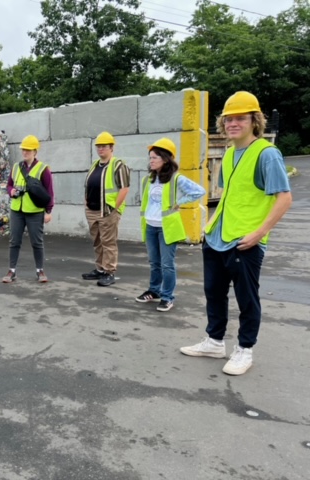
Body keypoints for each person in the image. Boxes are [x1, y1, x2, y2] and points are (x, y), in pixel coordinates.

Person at [180, 92, 292, 375]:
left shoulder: (266, 154)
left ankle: (244, 350)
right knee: (213, 293)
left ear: (255, 120)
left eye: (240, 118)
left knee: (246, 298)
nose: (233, 123)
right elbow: (227, 196)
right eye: (228, 119)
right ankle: (215, 342)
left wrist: (259, 233)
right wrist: (209, 228)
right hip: (217, 237)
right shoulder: (229, 154)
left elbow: (284, 198)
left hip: (245, 241)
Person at [137, 138, 206, 312]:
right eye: (150, 157)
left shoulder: (176, 179)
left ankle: (167, 297)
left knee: (167, 264)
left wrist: (180, 202)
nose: (151, 161)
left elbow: (199, 191)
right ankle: (154, 291)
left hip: (167, 227)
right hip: (151, 226)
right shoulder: (148, 179)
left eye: (154, 157)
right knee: (154, 262)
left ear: (166, 159)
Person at [2, 135, 54, 283]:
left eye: (28, 150)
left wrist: (48, 211)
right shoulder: (16, 167)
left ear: (35, 151)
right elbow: (9, 185)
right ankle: (11, 271)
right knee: (14, 241)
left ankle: (40, 271)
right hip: (17, 209)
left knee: (37, 242)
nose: (25, 152)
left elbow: (49, 192)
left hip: (35, 211)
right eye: (23, 150)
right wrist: (11, 191)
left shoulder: (43, 169)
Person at [81, 132, 130, 286]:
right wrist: (86, 203)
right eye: (98, 146)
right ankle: (100, 269)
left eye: (104, 146)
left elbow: (124, 188)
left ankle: (109, 272)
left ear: (111, 147)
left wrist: (113, 208)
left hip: (107, 211)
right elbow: (87, 186)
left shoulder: (118, 165)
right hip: (92, 210)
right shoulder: (95, 165)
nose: (100, 149)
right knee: (97, 241)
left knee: (108, 242)